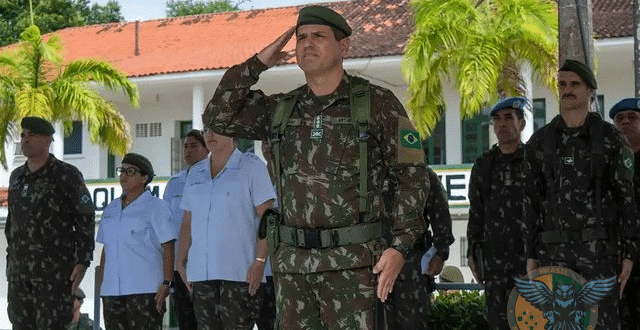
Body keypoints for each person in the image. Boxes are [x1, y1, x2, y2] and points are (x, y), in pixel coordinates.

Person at [202, 5, 428, 329]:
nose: (307, 43)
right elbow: (218, 114)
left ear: (344, 46)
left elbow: (412, 175)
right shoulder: (279, 109)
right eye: (300, 37)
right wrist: (261, 60)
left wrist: (400, 247)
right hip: (293, 267)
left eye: (319, 36)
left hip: (354, 265)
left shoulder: (376, 103)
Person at [523, 60, 638, 329]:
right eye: (562, 84)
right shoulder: (540, 143)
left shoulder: (611, 139)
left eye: (575, 84)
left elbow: (627, 200)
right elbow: (530, 202)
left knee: (604, 324)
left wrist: (629, 254)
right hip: (554, 255)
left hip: (600, 254)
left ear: (590, 92)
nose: (567, 90)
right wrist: (530, 255)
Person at [176, 130, 276, 329]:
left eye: (217, 129)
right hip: (201, 277)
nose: (210, 134)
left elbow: (268, 217)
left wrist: (260, 261)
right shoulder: (196, 172)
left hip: (240, 275)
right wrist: (180, 262)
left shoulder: (252, 166)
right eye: (206, 130)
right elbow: (188, 220)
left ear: (232, 133)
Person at [6, 116, 95, 329]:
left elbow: (85, 219)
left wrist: (83, 261)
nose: (25, 140)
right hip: (19, 275)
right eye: (23, 135)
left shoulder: (67, 175)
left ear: (48, 140)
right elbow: (12, 224)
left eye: (32, 135)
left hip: (53, 276)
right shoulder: (16, 177)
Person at [467, 97, 528, 330]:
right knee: (498, 322)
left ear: (521, 123)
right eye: (497, 119)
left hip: (528, 260)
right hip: (495, 263)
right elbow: (476, 212)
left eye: (508, 118)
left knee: (531, 320)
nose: (502, 124)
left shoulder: (534, 160)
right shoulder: (484, 165)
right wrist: (472, 251)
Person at [97, 153, 177, 330]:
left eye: (130, 171)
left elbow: (168, 246)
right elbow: (106, 249)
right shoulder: (111, 209)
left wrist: (166, 282)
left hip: (145, 290)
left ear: (144, 177)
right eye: (122, 171)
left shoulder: (157, 207)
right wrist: (101, 284)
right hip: (112, 292)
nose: (123, 175)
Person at [386, 167, 454, 329]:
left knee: (414, 323)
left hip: (412, 266)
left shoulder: (422, 174)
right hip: (375, 263)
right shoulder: (372, 171)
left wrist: (440, 253)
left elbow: (441, 215)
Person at [163, 129, 209, 330]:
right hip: (179, 266)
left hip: (204, 263)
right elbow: (167, 224)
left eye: (194, 146)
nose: (188, 151)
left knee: (207, 320)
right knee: (185, 319)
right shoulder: (174, 183)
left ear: (206, 149)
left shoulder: (212, 177)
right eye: (185, 146)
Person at [609, 98, 640, 329]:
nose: (625, 122)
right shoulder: (610, 164)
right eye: (620, 119)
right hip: (620, 257)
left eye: (632, 117)